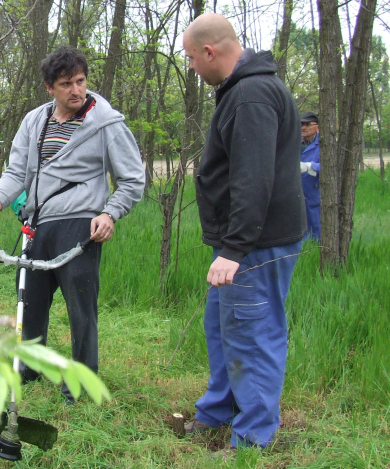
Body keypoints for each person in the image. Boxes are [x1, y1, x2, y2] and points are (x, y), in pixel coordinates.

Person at [0, 46, 146, 404]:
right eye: (67, 84)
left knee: (81, 308)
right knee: (28, 303)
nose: (76, 90)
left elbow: (132, 180)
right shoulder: (34, 121)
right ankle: (29, 368)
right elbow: (17, 172)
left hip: (81, 225)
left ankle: (81, 381)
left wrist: (109, 213)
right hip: (37, 224)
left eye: (80, 81)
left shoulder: (107, 123)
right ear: (49, 87)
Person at [181, 13, 307, 452]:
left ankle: (252, 439)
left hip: (254, 244)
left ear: (210, 52)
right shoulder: (243, 89)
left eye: (192, 58)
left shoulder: (251, 95)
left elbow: (254, 179)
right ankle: (219, 409)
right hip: (242, 243)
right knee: (224, 326)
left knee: (252, 334)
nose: (192, 67)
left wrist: (234, 248)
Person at [300, 111, 321, 241]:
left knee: (316, 226)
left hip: (315, 192)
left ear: (317, 127)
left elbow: (332, 166)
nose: (303, 127)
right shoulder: (296, 143)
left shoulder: (324, 144)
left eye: (308, 124)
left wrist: (310, 166)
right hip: (297, 191)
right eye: (302, 124)